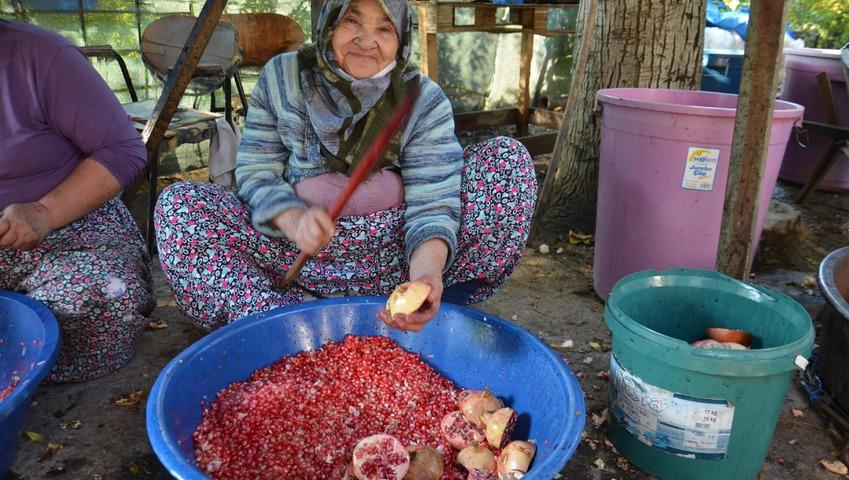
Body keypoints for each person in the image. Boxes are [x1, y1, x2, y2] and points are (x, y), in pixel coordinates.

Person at [154, 0, 536, 332]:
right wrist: (291, 219)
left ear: (402, 38)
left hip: (394, 257)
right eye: (351, 21)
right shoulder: (283, 77)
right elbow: (257, 171)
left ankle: (425, 313)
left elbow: (433, 202)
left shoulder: (421, 96)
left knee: (508, 163)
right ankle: (278, 320)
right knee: (180, 207)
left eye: (385, 28)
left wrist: (424, 278)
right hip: (292, 254)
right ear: (328, 22)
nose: (366, 41)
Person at [0, 20, 155, 382]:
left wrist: (45, 212)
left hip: (70, 232)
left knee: (101, 300)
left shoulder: (40, 55)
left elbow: (123, 149)